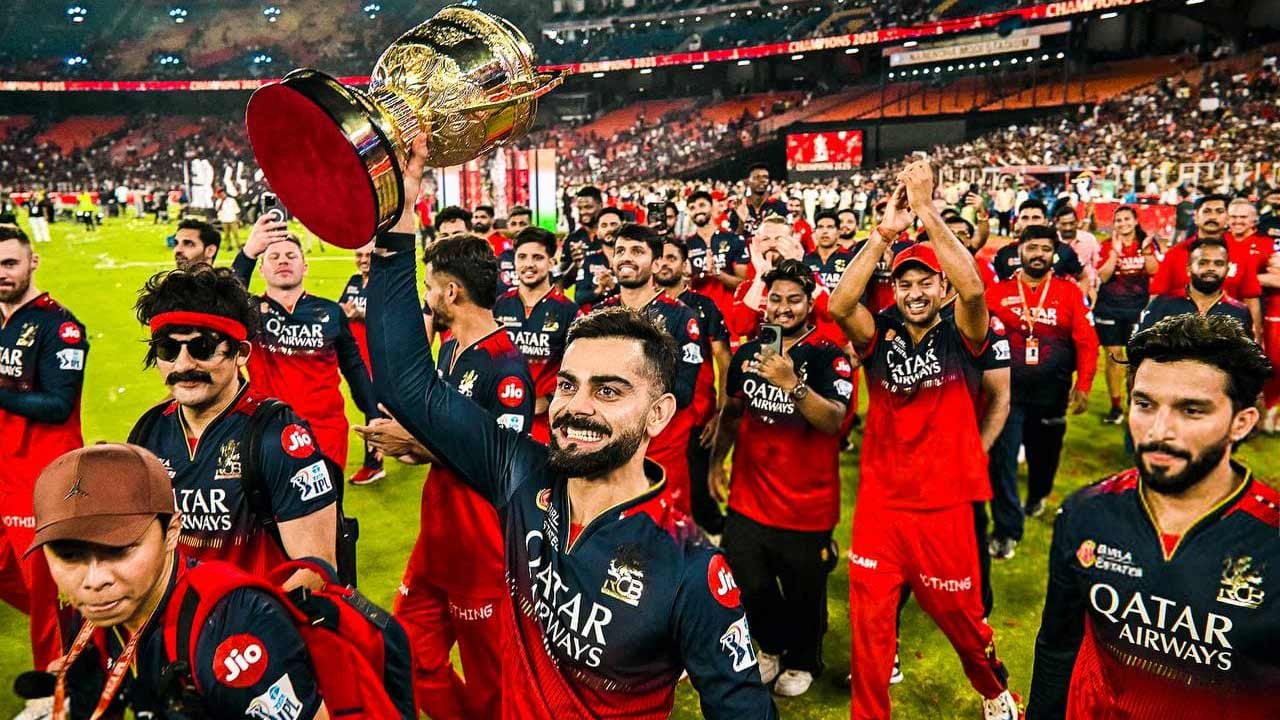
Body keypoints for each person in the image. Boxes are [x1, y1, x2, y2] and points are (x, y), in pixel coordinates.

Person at [365, 136, 775, 717]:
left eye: (609, 390)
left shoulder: (689, 566)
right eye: (566, 384)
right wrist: (398, 219)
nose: (575, 406)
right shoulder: (520, 475)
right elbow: (408, 384)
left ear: (659, 413)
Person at [828, 162, 1019, 720]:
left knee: (963, 620)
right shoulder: (881, 330)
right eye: (904, 283)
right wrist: (884, 234)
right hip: (881, 506)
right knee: (868, 625)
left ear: (942, 287)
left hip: (944, 506)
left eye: (925, 282)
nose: (914, 292)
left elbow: (975, 288)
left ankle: (994, 690)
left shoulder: (964, 332)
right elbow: (840, 306)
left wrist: (927, 210)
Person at [30, 443, 414, 720]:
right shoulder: (96, 613)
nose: (94, 580)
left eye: (120, 550)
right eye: (69, 555)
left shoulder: (235, 632)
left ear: (172, 533)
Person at [1027, 314, 1278, 719]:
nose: (1159, 430)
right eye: (1144, 404)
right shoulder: (1085, 513)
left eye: (1191, 410)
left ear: (1241, 423)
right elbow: (1058, 646)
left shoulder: (1271, 539)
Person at [360, 233, 534, 720]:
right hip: (438, 537)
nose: (427, 296)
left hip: (482, 546)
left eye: (429, 287)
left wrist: (415, 442)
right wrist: (416, 446)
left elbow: (500, 463)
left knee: (491, 684)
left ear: (451, 292)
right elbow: (450, 441)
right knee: (408, 653)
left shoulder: (505, 366)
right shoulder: (450, 349)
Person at [130, 263, 339, 577]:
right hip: (179, 609)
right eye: (168, 349)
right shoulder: (149, 432)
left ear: (241, 353)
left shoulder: (280, 437)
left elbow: (317, 569)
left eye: (202, 347)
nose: (183, 365)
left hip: (259, 608)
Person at [709, 259, 851, 698]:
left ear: (810, 304)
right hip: (749, 496)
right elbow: (732, 412)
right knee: (745, 579)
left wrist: (793, 385)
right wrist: (716, 463)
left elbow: (833, 420)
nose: (784, 308)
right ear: (765, 303)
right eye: (776, 299)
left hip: (807, 505)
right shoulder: (749, 353)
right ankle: (770, 645)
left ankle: (803, 659)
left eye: (794, 299)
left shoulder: (829, 355)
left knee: (805, 591)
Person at [0, 224, 87, 677]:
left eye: (9, 263)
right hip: (4, 468)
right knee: (21, 581)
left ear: (32, 262)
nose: (1, 274)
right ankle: (83, 620)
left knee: (39, 586)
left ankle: (56, 684)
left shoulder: (60, 326)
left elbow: (58, 405)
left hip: (40, 474)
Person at [985, 225, 1099, 559]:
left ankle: (1038, 494)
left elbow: (1087, 341)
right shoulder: (998, 293)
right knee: (1002, 461)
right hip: (1006, 395)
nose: (1038, 254)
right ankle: (1006, 530)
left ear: (1054, 254)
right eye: (1032, 247)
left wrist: (1084, 384)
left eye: (1045, 249)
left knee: (1044, 457)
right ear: (1020, 250)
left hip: (1053, 394)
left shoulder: (1069, 293)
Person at [232, 218, 380, 471]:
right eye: (274, 257)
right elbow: (223, 301)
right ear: (261, 269)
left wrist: (373, 414)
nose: (283, 261)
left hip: (326, 431)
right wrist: (248, 253)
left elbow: (353, 367)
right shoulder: (251, 312)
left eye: (291, 256)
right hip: (268, 429)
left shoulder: (331, 311)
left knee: (327, 496)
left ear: (305, 267)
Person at [582, 223, 704, 516]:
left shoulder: (681, 316)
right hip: (608, 446)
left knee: (665, 534)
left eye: (637, 251)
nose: (626, 257)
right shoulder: (599, 314)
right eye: (620, 251)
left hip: (661, 453)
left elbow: (684, 392)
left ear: (656, 263)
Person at [654, 236, 731, 536]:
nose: (664, 264)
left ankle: (711, 538)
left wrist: (720, 415)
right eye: (659, 258)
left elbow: (724, 360)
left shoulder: (704, 306)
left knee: (697, 491)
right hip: (654, 419)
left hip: (697, 418)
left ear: (684, 265)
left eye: (671, 258)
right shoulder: (644, 306)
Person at [494, 227, 578, 443]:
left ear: (551, 262)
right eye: (522, 257)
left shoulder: (569, 311)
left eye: (537, 257)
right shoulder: (499, 305)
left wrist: (549, 398)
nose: (528, 264)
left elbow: (580, 367)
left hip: (547, 421)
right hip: (502, 415)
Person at [1149, 194, 1262, 334]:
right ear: (1196, 217)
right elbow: (1156, 298)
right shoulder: (1175, 254)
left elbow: (1251, 298)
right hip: (1181, 334)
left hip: (1228, 335)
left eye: (1219, 211)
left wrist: (1257, 338)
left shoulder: (1243, 254)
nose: (1213, 217)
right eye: (1207, 211)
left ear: (1227, 218)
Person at [1093, 206, 1156, 424]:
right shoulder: (1106, 245)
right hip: (1109, 307)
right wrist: (1115, 253)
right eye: (1118, 220)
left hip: (1138, 309)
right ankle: (1116, 406)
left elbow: (1154, 270)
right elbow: (1103, 276)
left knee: (1135, 359)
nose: (1123, 223)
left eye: (1127, 219)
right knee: (1114, 357)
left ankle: (1134, 403)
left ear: (1135, 221)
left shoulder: (1145, 244)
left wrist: (1146, 251)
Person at [1136, 237, 1254, 338]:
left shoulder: (1239, 312)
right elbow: (1141, 348)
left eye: (1218, 263)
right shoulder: (1162, 305)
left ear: (1227, 270)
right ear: (1188, 268)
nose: (1211, 268)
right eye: (1203, 263)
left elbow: (1246, 355)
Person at [339, 241, 386, 485]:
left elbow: (393, 317)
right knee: (369, 404)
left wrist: (361, 315)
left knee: (372, 408)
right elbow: (342, 307)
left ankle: (374, 464)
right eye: (359, 255)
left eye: (369, 255)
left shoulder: (386, 283)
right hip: (356, 359)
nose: (364, 259)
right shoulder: (354, 281)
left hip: (379, 358)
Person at [685, 190, 749, 322]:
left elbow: (743, 284)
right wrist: (688, 278)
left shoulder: (733, 239)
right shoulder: (686, 245)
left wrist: (717, 273)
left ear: (711, 207)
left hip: (728, 315)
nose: (697, 211)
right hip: (697, 316)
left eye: (702, 205)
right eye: (692, 208)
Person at [993, 200, 1084, 281]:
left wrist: (1080, 294)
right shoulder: (1004, 254)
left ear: (1046, 222)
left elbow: (1083, 278)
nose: (1030, 223)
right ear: (1018, 222)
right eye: (1025, 218)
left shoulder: (1064, 250)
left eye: (1036, 218)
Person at [571, 206, 623, 309]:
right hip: (596, 316)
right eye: (604, 225)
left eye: (614, 224)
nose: (609, 229)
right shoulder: (589, 260)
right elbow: (578, 297)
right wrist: (599, 289)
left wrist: (613, 286)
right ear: (597, 232)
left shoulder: (631, 260)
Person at [1052, 205, 1100, 298]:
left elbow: (1097, 266)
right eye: (1064, 224)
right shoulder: (1052, 242)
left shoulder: (1089, 239)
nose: (1068, 228)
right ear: (1056, 223)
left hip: (1089, 290)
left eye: (1071, 223)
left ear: (1077, 222)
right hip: (1058, 293)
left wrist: (1093, 287)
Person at [729, 163, 788, 238]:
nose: (762, 180)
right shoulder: (739, 207)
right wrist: (741, 222)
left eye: (765, 177)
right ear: (748, 181)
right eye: (757, 177)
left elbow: (786, 236)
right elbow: (734, 240)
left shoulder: (780, 207)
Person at [803, 210, 854, 291]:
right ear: (815, 232)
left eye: (830, 227)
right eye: (820, 227)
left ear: (838, 232)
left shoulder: (851, 259)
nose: (825, 231)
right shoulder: (806, 259)